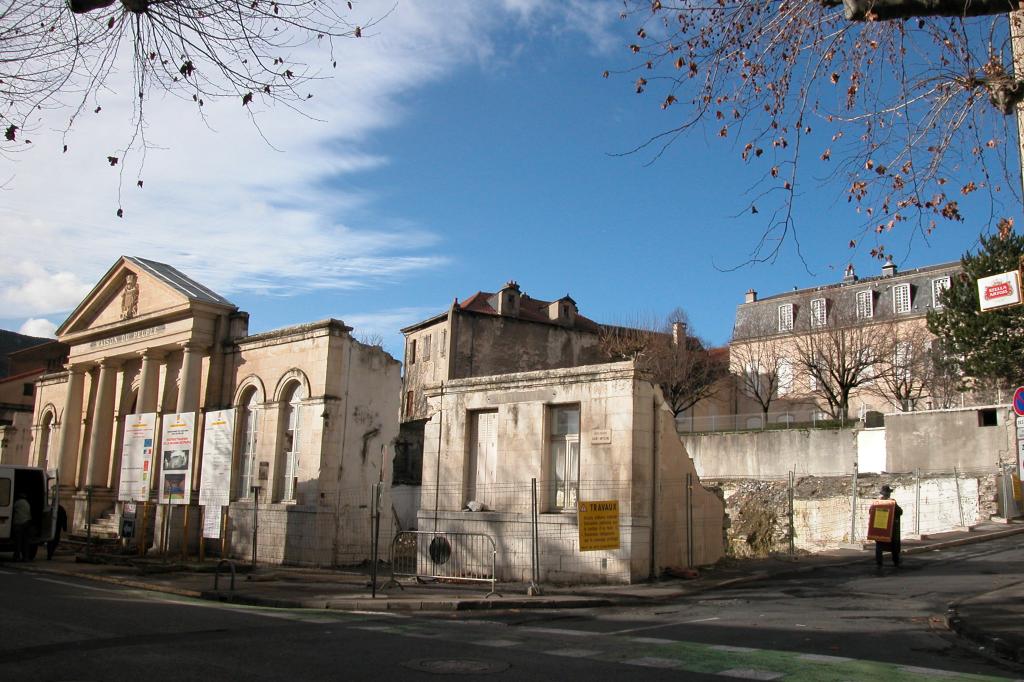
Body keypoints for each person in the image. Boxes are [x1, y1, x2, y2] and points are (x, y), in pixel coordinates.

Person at [875, 485, 902, 567]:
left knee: (879, 545)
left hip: (880, 527)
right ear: (888, 494)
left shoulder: (877, 503)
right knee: (894, 545)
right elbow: (900, 512)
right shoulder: (892, 502)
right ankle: (896, 562)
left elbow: (871, 513)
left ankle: (879, 562)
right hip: (891, 529)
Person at [12, 492, 32, 562]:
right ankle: (25, 557)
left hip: (19, 524)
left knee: (18, 542)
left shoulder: (17, 503)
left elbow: (12, 509)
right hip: (27, 523)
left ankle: (16, 557)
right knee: (25, 542)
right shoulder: (27, 503)